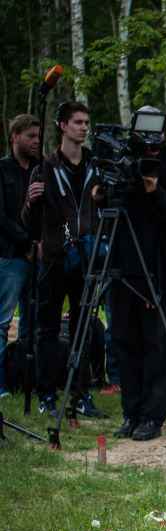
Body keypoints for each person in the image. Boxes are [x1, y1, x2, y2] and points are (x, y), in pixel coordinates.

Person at [97, 106, 166, 441]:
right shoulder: (124, 161)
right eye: (143, 134)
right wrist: (101, 196)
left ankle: (153, 416)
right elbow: (109, 207)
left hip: (162, 272)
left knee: (158, 346)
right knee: (124, 342)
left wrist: (155, 192)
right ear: (133, 132)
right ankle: (132, 412)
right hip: (124, 269)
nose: (150, 141)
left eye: (155, 134)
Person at [22, 101, 104, 419]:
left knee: (83, 327)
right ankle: (46, 394)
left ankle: (82, 393)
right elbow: (29, 224)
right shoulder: (44, 167)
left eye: (87, 122)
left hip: (86, 257)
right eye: (78, 122)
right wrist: (30, 204)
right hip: (55, 259)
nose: (84, 127)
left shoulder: (96, 166)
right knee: (47, 329)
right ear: (63, 126)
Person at [0, 113, 40, 397]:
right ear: (15, 136)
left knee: (34, 321)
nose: (36, 141)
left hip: (39, 256)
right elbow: (1, 217)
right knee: (3, 322)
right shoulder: (2, 170)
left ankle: (27, 378)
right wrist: (27, 243)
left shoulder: (42, 169)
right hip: (10, 257)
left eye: (38, 136)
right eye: (30, 136)